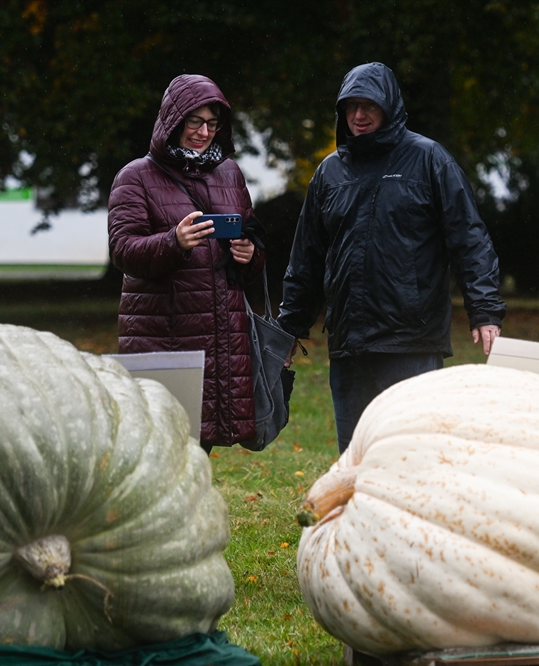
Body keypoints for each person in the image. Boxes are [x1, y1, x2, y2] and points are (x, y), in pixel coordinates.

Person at [279, 62, 506, 452]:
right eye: (351, 106)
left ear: (390, 107)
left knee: (413, 451)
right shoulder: (330, 173)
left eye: (369, 105)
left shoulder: (429, 159)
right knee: (357, 454)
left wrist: (484, 309)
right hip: (349, 341)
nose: (359, 115)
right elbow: (307, 258)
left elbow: (469, 238)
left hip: (411, 340)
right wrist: (288, 328)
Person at [108, 75, 265, 451]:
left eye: (212, 123)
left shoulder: (229, 173)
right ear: (173, 121)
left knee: (203, 439)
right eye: (194, 121)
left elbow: (252, 237)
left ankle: (191, 509)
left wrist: (250, 254)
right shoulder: (136, 176)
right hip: (164, 331)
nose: (204, 132)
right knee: (161, 440)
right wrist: (172, 242)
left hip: (223, 333)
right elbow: (123, 250)